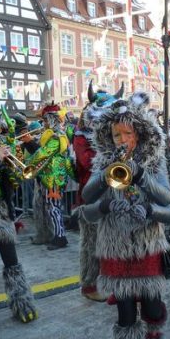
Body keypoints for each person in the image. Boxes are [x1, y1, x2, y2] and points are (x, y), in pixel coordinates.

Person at [81, 92, 170, 339]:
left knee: (151, 307)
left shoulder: (154, 162)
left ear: (138, 133)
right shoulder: (103, 161)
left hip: (147, 246)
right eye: (116, 135)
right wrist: (104, 197)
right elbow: (87, 198)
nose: (122, 140)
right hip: (115, 248)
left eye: (127, 133)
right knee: (125, 313)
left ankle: (155, 331)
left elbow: (167, 199)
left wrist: (141, 178)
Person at [0, 107, 38, 323]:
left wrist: (12, 167)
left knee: (11, 258)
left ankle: (22, 303)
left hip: (0, 208)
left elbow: (14, 182)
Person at [74, 81, 124, 301]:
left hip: (114, 195)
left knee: (112, 242)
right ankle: (89, 285)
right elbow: (87, 163)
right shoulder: (81, 137)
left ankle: (111, 282)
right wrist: (111, 154)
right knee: (92, 243)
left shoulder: (112, 137)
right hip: (91, 197)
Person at [27, 102, 75, 250]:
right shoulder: (53, 135)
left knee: (54, 208)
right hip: (49, 177)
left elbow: (43, 153)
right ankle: (52, 235)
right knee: (50, 207)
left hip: (54, 179)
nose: (44, 123)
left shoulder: (56, 136)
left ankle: (60, 237)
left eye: (46, 120)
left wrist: (28, 164)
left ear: (52, 120)